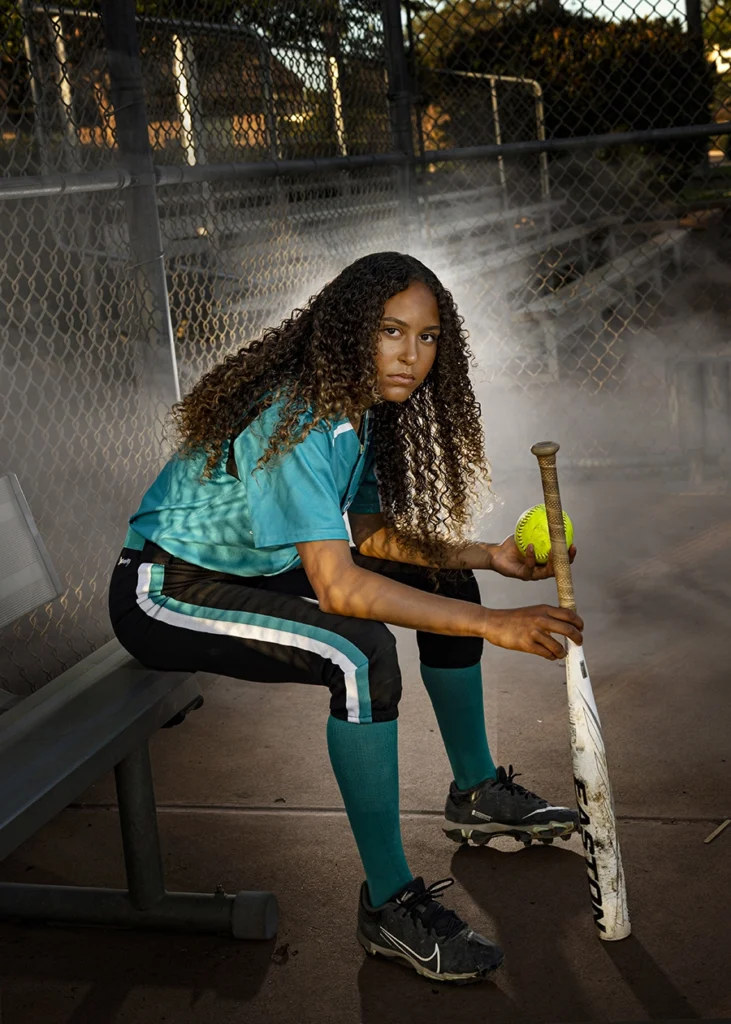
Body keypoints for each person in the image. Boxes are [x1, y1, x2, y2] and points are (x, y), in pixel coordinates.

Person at [108, 251, 583, 985]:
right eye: (391, 331)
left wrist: (487, 558)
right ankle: (388, 905)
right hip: (166, 588)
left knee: (441, 573)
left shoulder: (358, 408)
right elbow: (338, 587)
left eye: (427, 338)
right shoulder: (295, 416)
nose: (410, 354)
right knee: (356, 653)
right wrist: (495, 625)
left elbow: (366, 539)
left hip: (250, 568)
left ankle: (475, 793)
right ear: (347, 330)